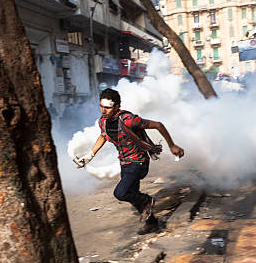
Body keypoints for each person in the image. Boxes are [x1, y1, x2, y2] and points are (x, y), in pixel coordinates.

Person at [75, 88, 184, 233]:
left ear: (116, 107)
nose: (103, 110)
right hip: (124, 163)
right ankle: (152, 223)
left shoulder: (129, 120)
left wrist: (172, 145)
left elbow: (158, 125)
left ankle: (147, 200)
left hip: (138, 162)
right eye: (101, 106)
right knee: (132, 194)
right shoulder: (103, 122)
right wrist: (90, 155)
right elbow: (103, 136)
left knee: (120, 193)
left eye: (107, 107)